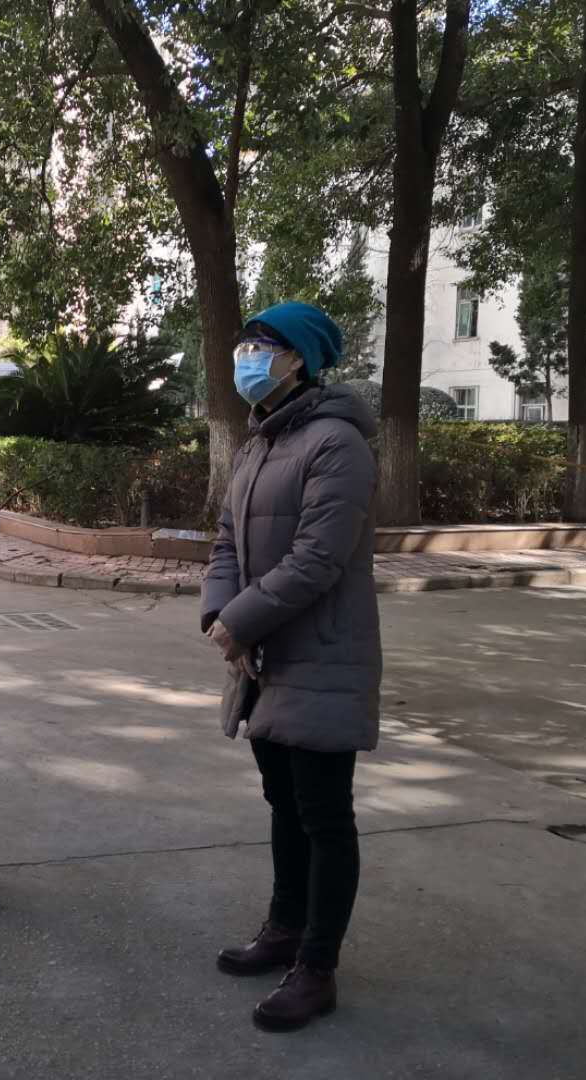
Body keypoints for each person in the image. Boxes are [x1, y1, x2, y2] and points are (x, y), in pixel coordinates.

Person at [200, 301, 382, 1033]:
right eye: (244, 343)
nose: (246, 355)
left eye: (262, 344)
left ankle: (317, 966)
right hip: (263, 653)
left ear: (299, 358)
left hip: (322, 653)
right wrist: (219, 614)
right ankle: (284, 926)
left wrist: (240, 620)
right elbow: (226, 541)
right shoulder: (258, 444)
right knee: (283, 801)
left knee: (324, 814)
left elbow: (318, 559)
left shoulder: (338, 443)